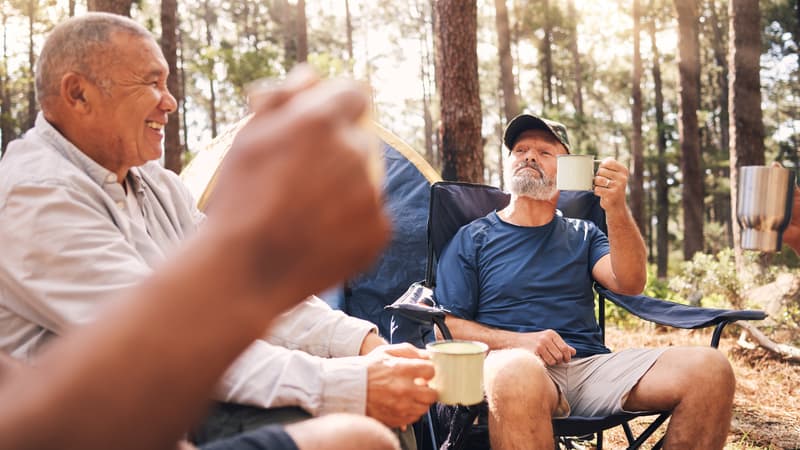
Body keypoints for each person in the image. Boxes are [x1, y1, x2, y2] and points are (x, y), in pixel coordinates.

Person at [0, 11, 435, 448]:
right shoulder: (36, 195)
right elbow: (169, 345)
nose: (170, 102)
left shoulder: (154, 184)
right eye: (151, 83)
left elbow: (244, 289)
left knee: (380, 418)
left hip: (175, 418)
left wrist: (365, 345)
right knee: (364, 434)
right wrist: (346, 383)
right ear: (79, 94)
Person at [433, 114, 737, 450]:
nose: (530, 156)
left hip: (590, 367)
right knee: (516, 373)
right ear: (508, 166)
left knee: (711, 370)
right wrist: (519, 342)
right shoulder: (473, 237)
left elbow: (630, 282)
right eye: (520, 150)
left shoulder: (584, 233)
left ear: (568, 171)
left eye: (545, 153)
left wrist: (616, 208)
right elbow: (444, 327)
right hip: (514, 368)